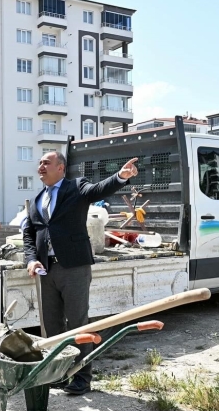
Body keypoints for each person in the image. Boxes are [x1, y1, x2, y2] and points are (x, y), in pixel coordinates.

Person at [22, 151, 138, 395]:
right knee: (51, 326)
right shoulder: (36, 200)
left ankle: (81, 377)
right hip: (45, 269)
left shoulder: (76, 187)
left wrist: (120, 176)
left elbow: (98, 190)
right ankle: (57, 374)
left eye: (46, 163)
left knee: (77, 323)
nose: (40, 166)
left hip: (73, 267)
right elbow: (29, 234)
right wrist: (31, 260)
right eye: (40, 163)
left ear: (61, 168)